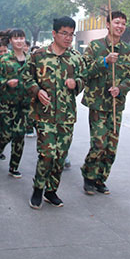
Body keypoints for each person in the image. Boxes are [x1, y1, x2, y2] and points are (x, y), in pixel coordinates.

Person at [22, 16, 85, 209]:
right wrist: (37, 90)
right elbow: (26, 77)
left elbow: (83, 79)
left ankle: (52, 190)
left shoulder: (75, 58)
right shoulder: (38, 55)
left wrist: (77, 84)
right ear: (54, 34)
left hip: (66, 116)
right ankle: (38, 189)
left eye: (71, 34)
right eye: (64, 33)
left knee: (60, 156)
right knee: (47, 154)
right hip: (44, 114)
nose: (67, 38)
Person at [80, 11, 130, 195]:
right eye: (116, 22)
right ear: (107, 24)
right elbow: (85, 71)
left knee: (111, 147)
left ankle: (100, 178)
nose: (120, 26)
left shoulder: (129, 52)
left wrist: (120, 88)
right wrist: (104, 61)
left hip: (115, 105)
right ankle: (89, 176)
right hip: (97, 103)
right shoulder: (95, 46)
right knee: (99, 143)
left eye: (123, 23)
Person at [0, 29, 30, 178]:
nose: (19, 41)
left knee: (19, 135)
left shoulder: (30, 59)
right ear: (11, 41)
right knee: (6, 134)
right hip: (7, 104)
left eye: (21, 38)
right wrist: (6, 82)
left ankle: (14, 166)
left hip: (24, 105)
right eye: (16, 38)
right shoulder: (4, 59)